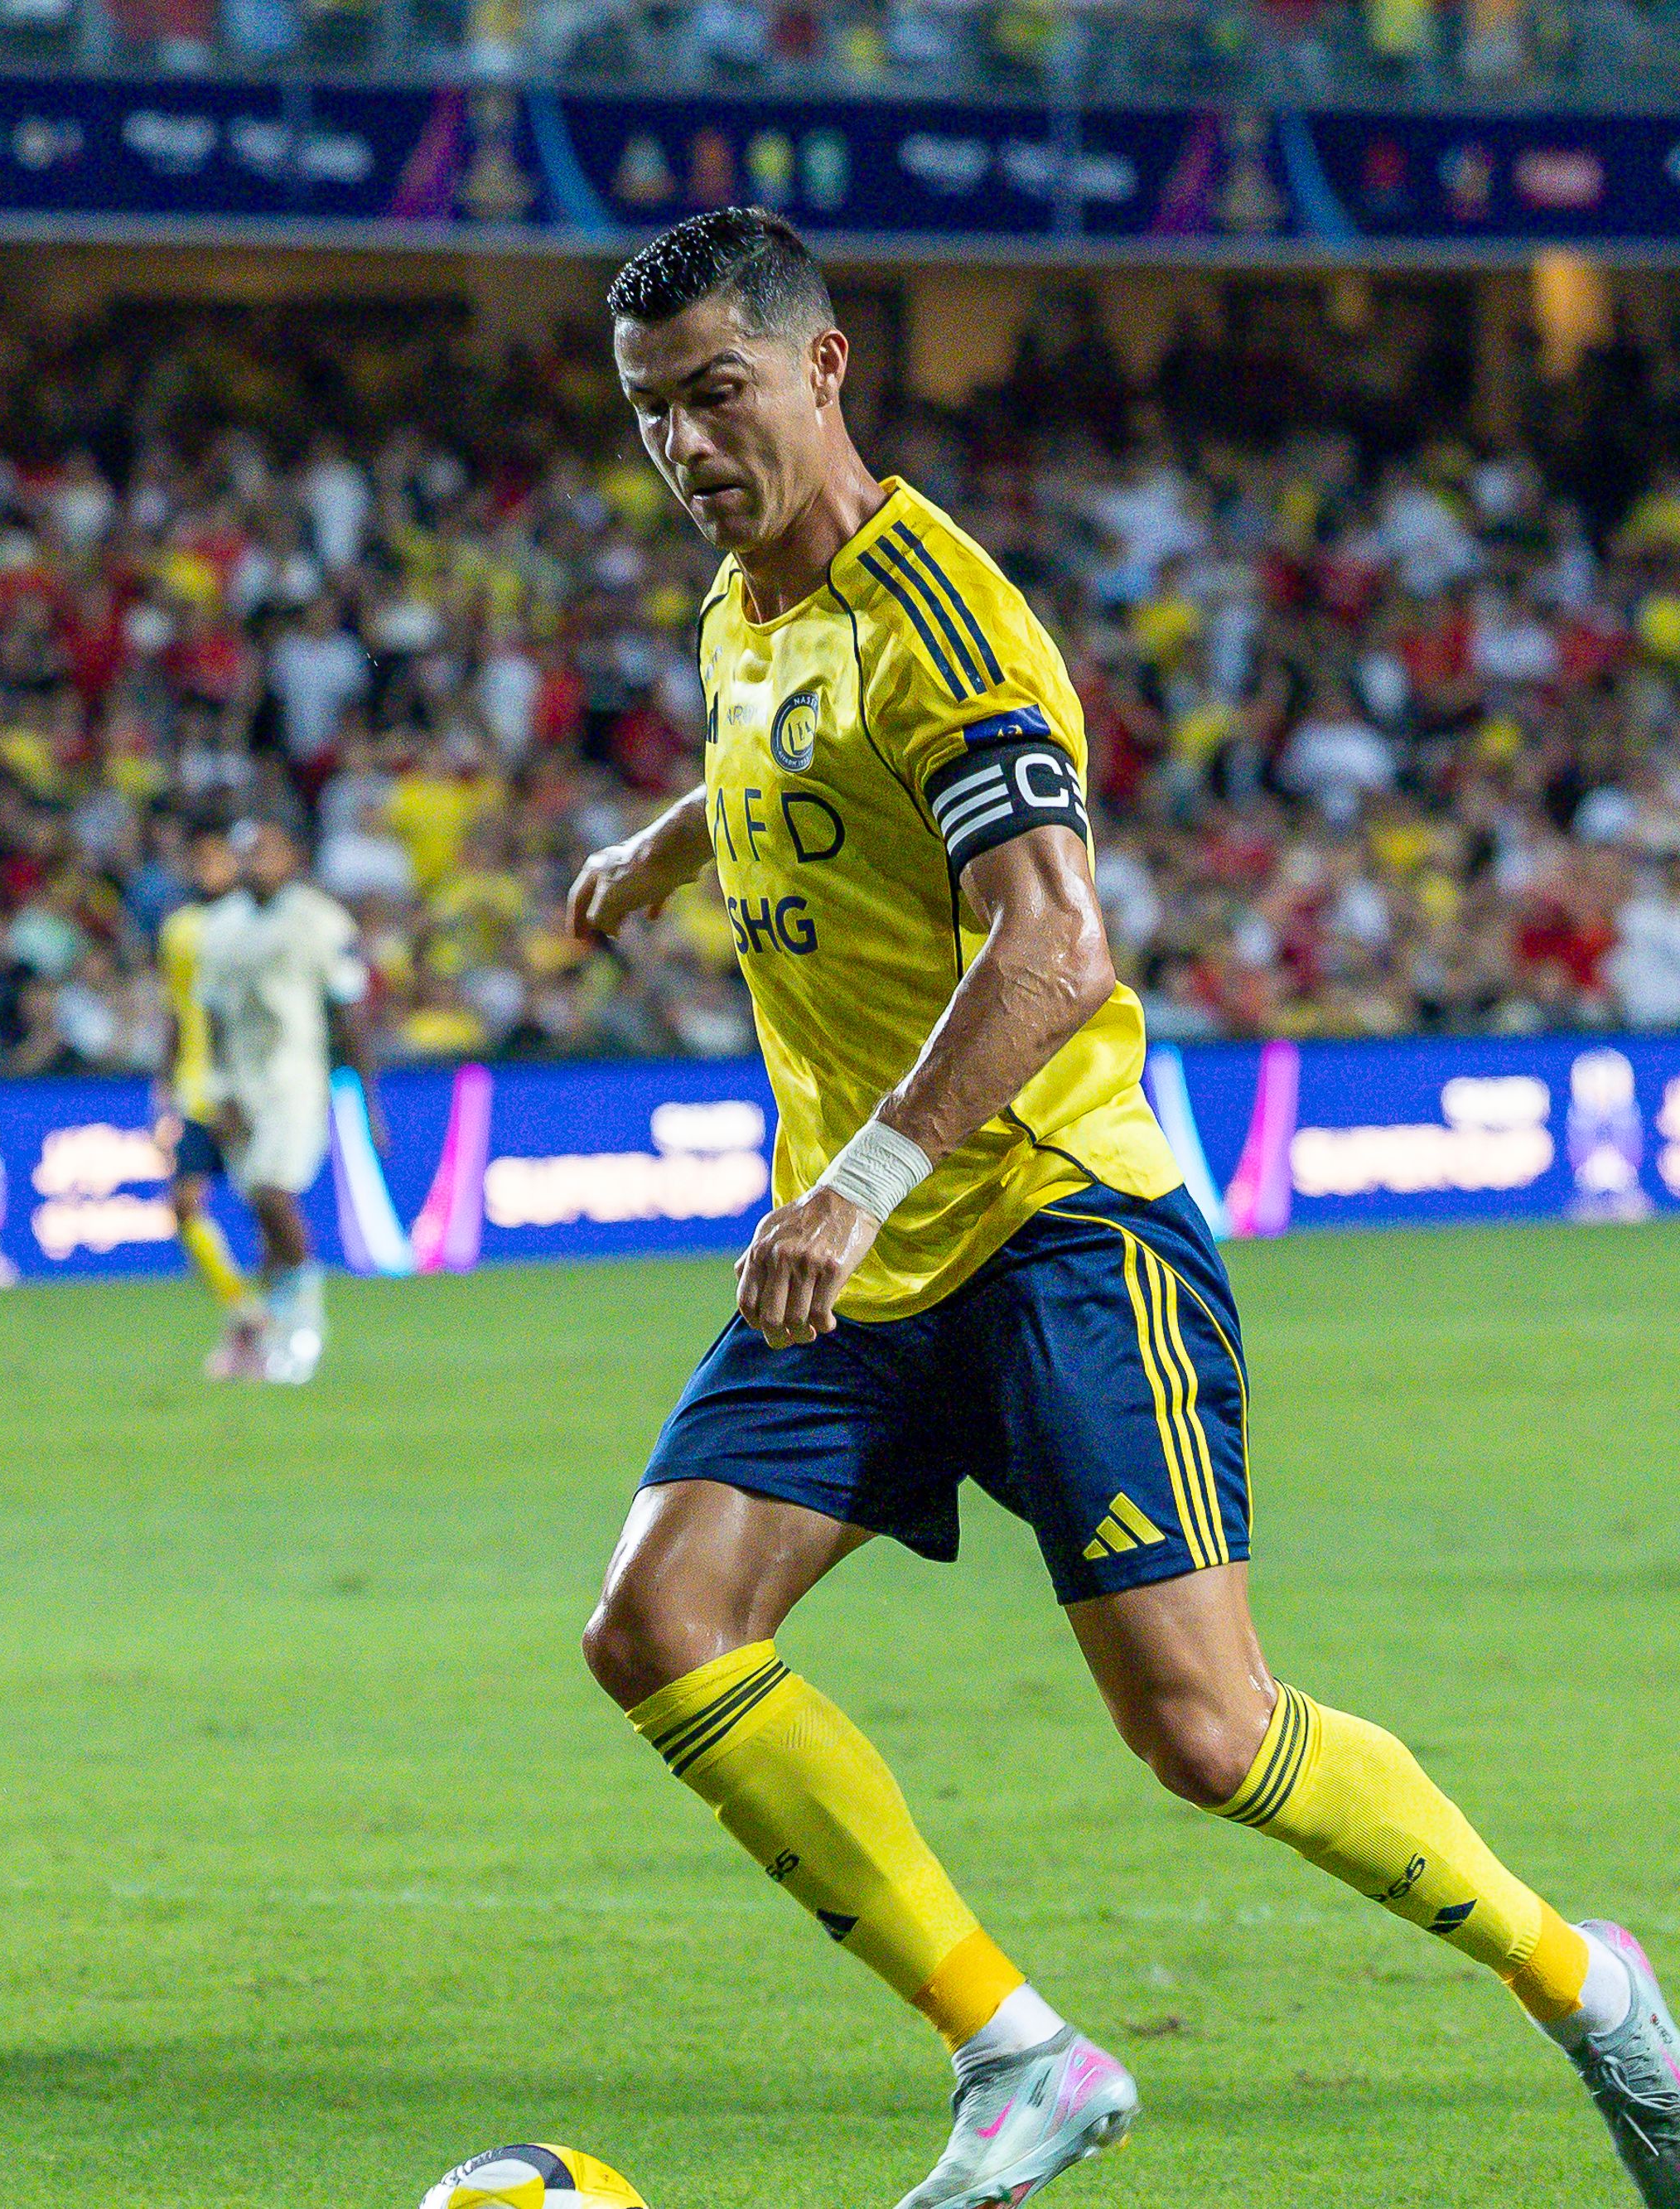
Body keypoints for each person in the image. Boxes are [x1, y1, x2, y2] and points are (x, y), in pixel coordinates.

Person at [565, 206, 1679, 2207]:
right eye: (651, 412)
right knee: (657, 1621)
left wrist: (859, 1173)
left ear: (822, 370)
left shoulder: (951, 622)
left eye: (714, 395)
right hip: (864, 1251)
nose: (684, 446)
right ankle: (1016, 2049)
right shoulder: (736, 610)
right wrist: (663, 846)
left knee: (1199, 1728)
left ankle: (1584, 1978)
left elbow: (1055, 945)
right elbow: (793, 762)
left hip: (1057, 1219)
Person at [194, 818, 377, 1385]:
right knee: (260, 1210)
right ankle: (273, 1331)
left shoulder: (318, 920)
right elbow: (213, 1018)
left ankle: (307, 1325)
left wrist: (368, 1099)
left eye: (265, 854)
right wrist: (219, 1090)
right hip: (242, 1089)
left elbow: (346, 1011)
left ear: (289, 857)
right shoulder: (218, 927)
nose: (254, 865)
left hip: (297, 1079)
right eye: (245, 855)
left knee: (275, 1198)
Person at [152, 820, 261, 1377]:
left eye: (221, 858)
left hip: (256, 1084)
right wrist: (163, 1079)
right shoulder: (180, 929)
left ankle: (269, 1320)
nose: (211, 868)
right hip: (199, 1087)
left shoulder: (260, 925)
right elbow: (177, 1007)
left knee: (266, 1205)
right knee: (185, 1204)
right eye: (203, 858)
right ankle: (246, 1311)